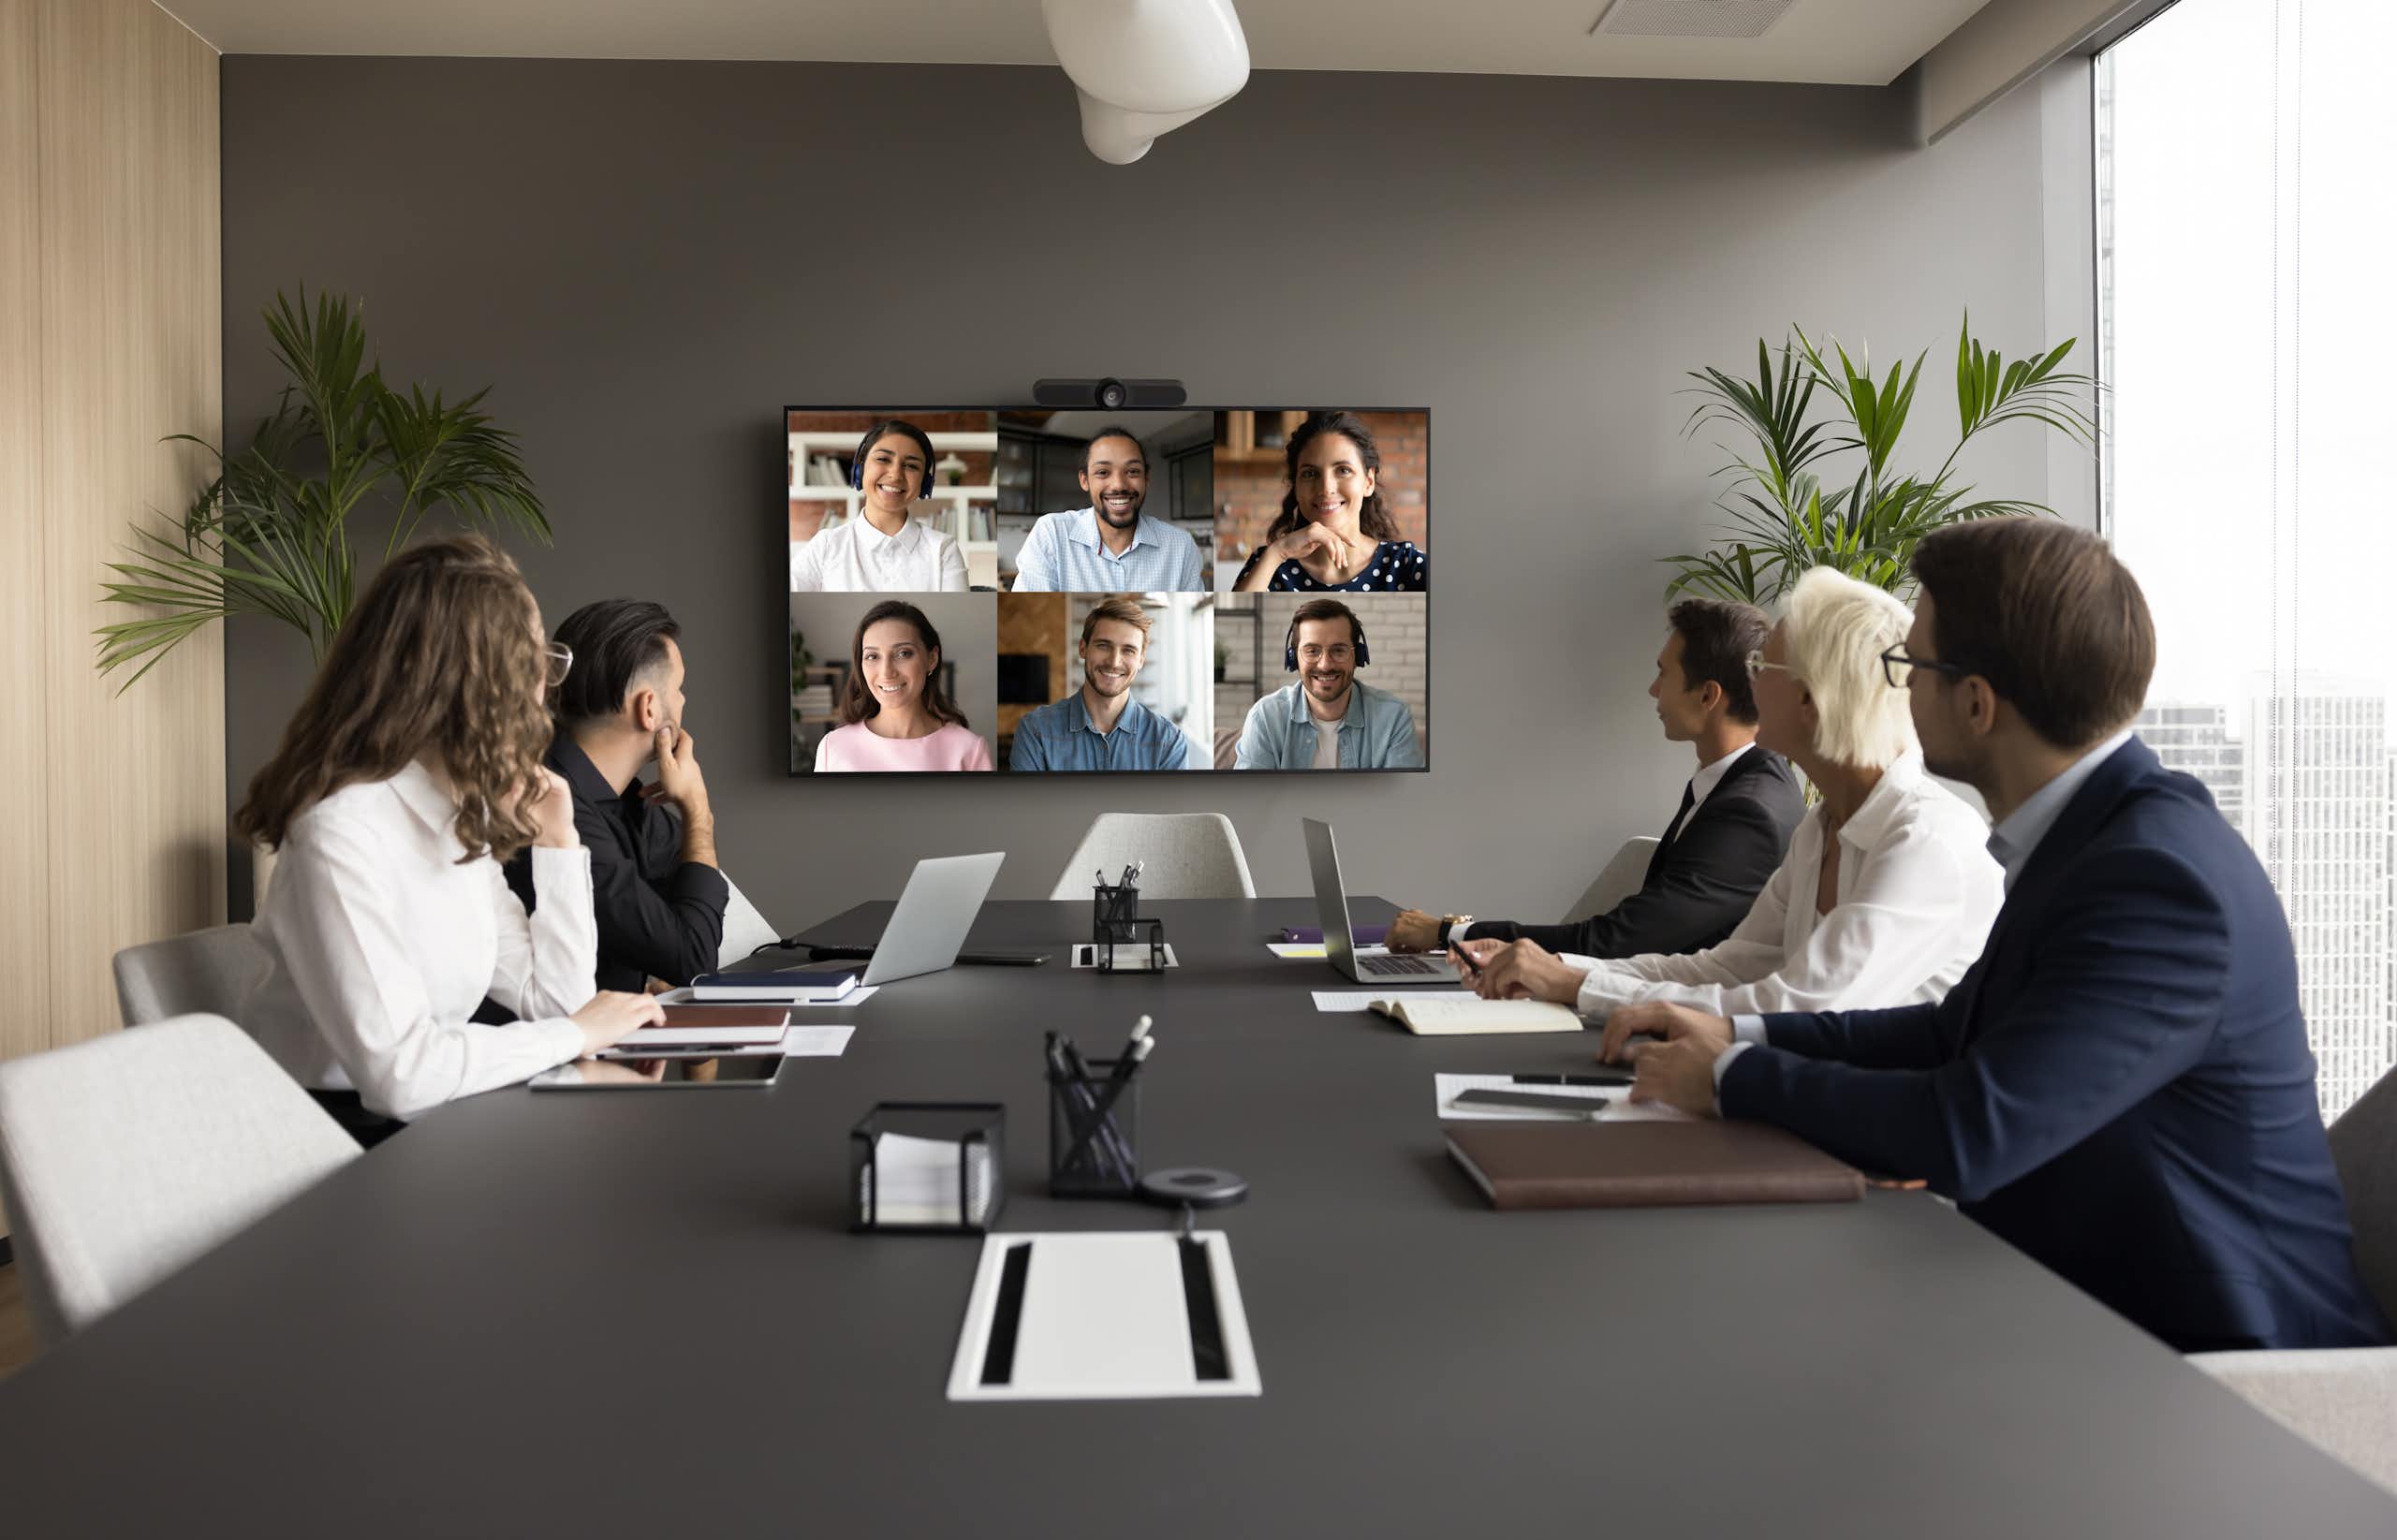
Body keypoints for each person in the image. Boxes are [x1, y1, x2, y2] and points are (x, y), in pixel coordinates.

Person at [1601, 521, 2389, 1353]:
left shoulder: (2157, 879)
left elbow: (1970, 1130)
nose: (1896, 689)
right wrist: (1735, 1034)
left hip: (2220, 1366)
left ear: (1976, 704)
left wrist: (1731, 1077)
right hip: (2083, 1300)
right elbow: (1951, 1035)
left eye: (1910, 666)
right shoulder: (2094, 835)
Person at [237, 536, 664, 1144]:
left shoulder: (454, 817)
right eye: (533, 663)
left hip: (426, 1120)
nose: (544, 690)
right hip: (328, 1143)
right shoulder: (339, 833)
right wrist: (576, 1034)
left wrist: (559, 839)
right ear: (471, 683)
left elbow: (558, 1002)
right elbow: (401, 1075)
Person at [1461, 567, 2001, 1022]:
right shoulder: (1820, 829)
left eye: (1763, 667)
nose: (1750, 683)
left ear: (1812, 698)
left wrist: (1574, 984)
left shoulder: (1925, 841)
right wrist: (1558, 969)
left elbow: (1801, 1008)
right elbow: (1724, 968)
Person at [1389, 597, 1801, 957]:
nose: (1653, 690)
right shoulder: (1734, 784)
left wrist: (1448, 933)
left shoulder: (1747, 813)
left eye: (1663, 673)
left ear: (1707, 695)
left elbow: (1614, 942)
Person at [504, 598, 728, 993]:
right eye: (678, 688)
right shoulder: (554, 808)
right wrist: (698, 812)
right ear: (649, 708)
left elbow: (689, 924)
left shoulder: (627, 801)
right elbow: (694, 960)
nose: (683, 701)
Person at [1232, 412, 1428, 592]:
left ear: (1368, 482)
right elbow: (1233, 619)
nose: (1326, 488)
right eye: (1310, 474)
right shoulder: (1268, 562)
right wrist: (1278, 552)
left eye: (1343, 470)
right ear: (1296, 487)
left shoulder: (1409, 565)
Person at [1232, 597, 1421, 770]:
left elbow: (1404, 794)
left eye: (1338, 650)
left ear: (1358, 656)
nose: (1325, 665)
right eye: (1312, 651)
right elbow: (1251, 794)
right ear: (1294, 658)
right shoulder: (1265, 718)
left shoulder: (1394, 717)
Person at [1008, 594, 1193, 771]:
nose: (1114, 662)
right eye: (1103, 646)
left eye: (1128, 650)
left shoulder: (1168, 742)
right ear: (1083, 648)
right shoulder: (1035, 731)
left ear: (1141, 660)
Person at [1009, 425, 1203, 592]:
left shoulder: (1182, 546)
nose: (1118, 485)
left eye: (1132, 471)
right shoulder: (1051, 534)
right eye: (1103, 472)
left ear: (1146, 478)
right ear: (1085, 480)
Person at [814, 599, 994, 771]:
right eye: (872, 656)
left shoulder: (969, 750)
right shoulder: (834, 748)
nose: (886, 672)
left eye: (903, 654)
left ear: (932, 659)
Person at [788, 419, 968, 593]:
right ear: (860, 470)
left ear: (924, 483)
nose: (895, 475)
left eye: (911, 466)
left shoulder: (942, 550)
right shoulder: (826, 546)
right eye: (883, 459)